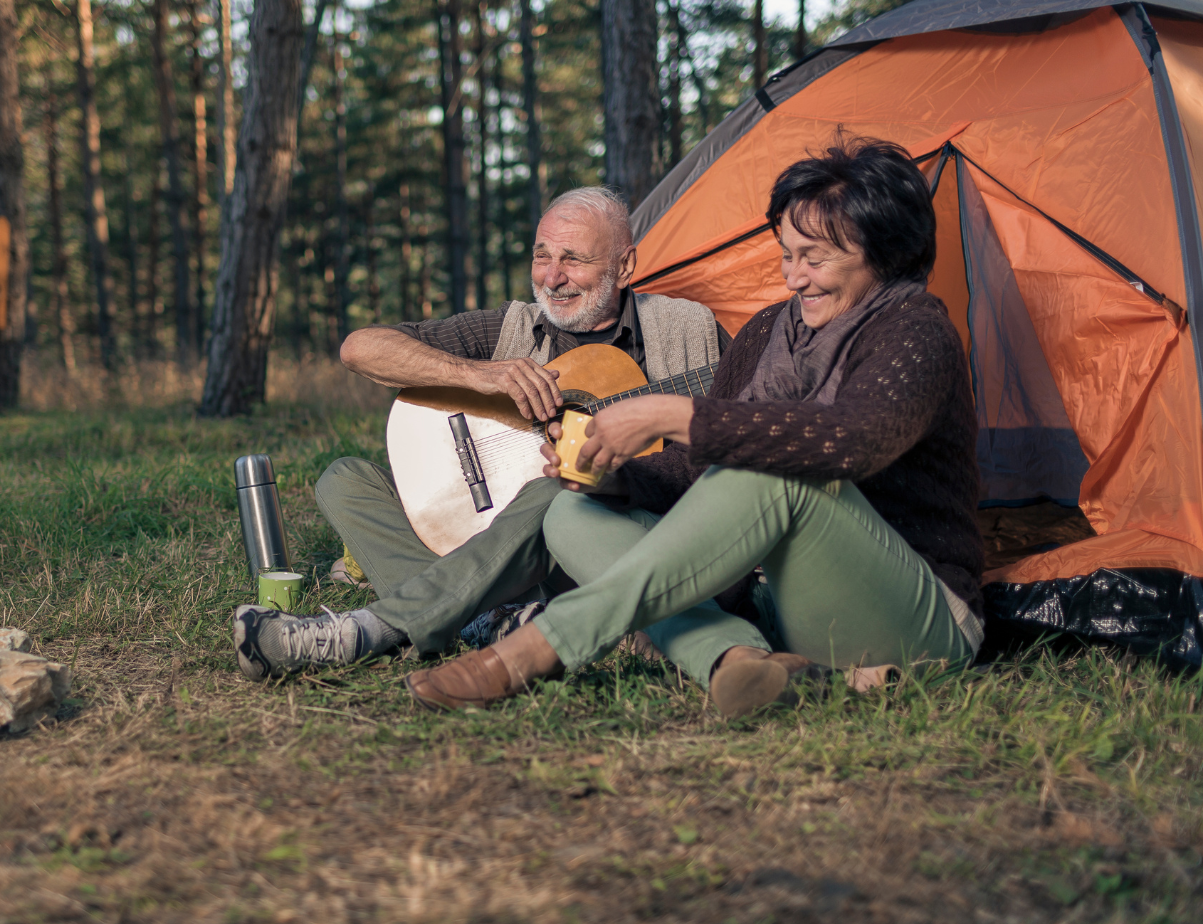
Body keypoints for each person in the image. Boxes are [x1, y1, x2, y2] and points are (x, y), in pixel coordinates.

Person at [403, 136, 986, 717]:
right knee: (569, 513)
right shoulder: (768, 332)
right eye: (787, 254)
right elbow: (700, 469)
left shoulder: (917, 331)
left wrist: (674, 414)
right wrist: (616, 481)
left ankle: (541, 646)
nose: (794, 278)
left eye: (815, 257)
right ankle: (737, 660)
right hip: (781, 606)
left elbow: (850, 440)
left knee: (772, 467)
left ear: (883, 254)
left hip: (910, 612)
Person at [232, 186, 727, 681]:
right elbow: (360, 349)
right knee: (345, 478)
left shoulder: (690, 332)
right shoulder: (512, 327)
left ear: (624, 266)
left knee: (563, 478)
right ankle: (481, 620)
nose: (552, 277)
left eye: (573, 260)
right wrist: (479, 375)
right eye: (542, 255)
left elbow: (745, 424)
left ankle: (370, 629)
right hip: (488, 536)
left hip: (593, 537)